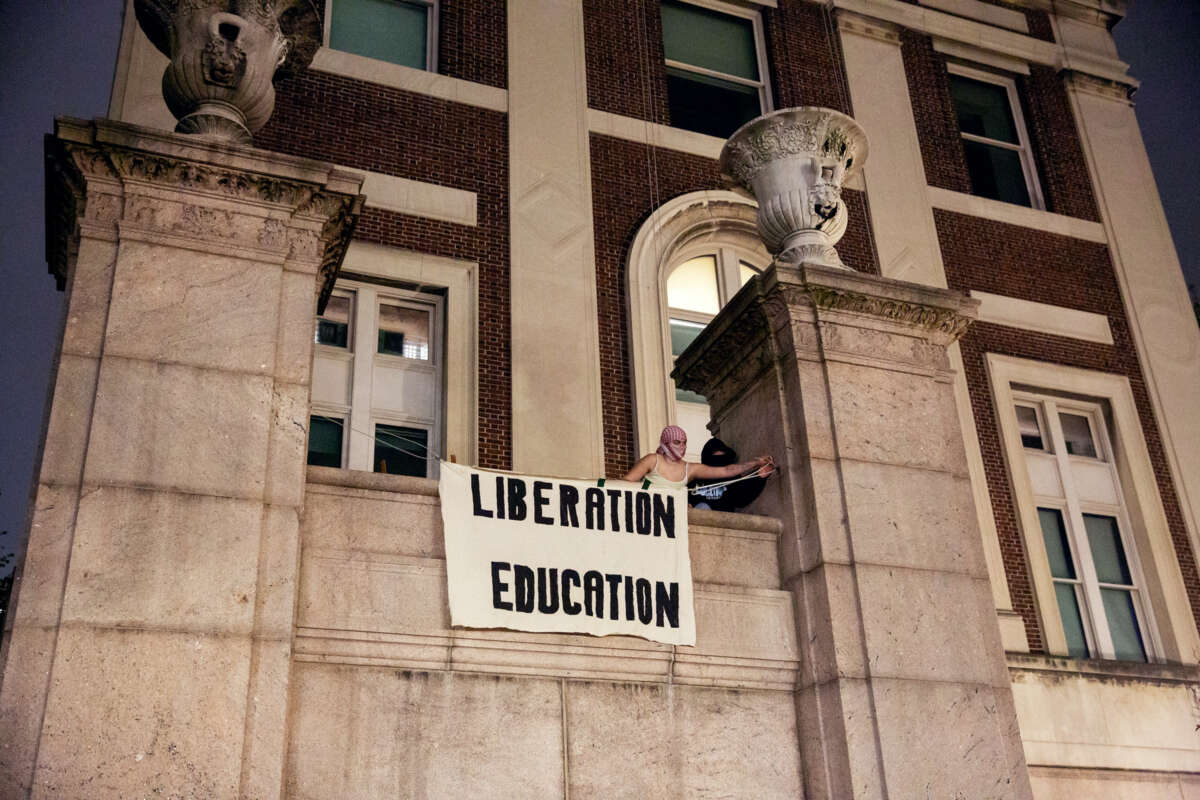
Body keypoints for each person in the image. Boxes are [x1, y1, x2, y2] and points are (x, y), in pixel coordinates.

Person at [623, 425, 773, 490]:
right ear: (665, 443)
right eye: (676, 442)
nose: (681, 446)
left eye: (684, 442)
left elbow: (726, 471)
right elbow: (626, 482)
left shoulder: (690, 469)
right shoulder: (652, 460)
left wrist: (755, 463)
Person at [688, 437, 769, 512]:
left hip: (723, 521)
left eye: (722, 458)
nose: (718, 463)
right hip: (698, 520)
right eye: (714, 459)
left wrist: (760, 476)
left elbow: (742, 497)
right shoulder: (695, 477)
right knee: (703, 507)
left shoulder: (730, 476)